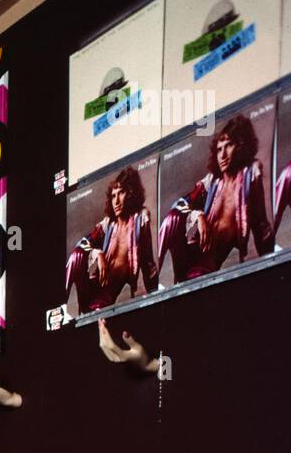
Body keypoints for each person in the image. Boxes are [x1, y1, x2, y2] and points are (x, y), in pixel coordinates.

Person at [158, 112, 274, 282]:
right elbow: (179, 204)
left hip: (205, 264)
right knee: (172, 218)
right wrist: (199, 217)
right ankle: (154, 287)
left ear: (241, 146)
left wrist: (272, 265)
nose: (223, 155)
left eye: (228, 146)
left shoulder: (250, 177)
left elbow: (261, 226)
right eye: (219, 149)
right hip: (187, 251)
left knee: (195, 278)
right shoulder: (211, 182)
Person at [66, 165, 158, 314]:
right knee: (76, 255)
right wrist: (98, 254)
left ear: (130, 193)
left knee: (96, 310)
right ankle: (61, 307)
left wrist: (156, 298)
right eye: (113, 195)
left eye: (120, 193)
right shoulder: (107, 224)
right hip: (91, 284)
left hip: (105, 296)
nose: (116, 201)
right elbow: (82, 244)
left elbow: (148, 263)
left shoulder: (141, 219)